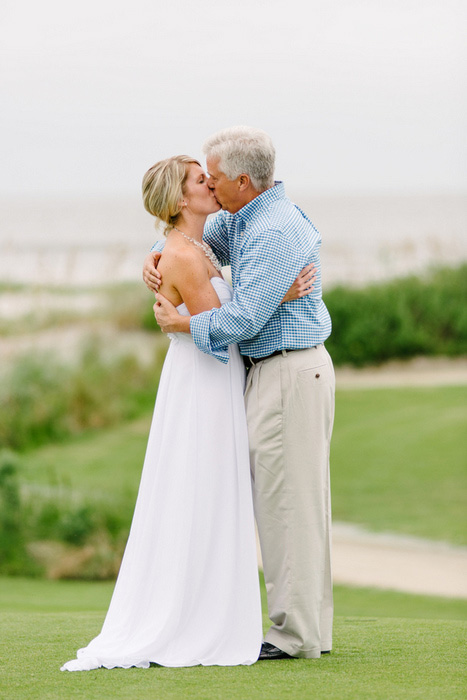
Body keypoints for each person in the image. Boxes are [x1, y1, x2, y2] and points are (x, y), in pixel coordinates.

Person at [61, 155, 265, 671]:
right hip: (203, 379)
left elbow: (193, 285)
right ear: (180, 199)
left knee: (211, 487)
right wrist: (279, 291)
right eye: (202, 181)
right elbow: (222, 324)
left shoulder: (192, 244)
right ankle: (194, 619)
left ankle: (208, 607)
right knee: (200, 485)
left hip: (211, 374)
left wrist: (151, 257)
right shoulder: (184, 256)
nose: (212, 185)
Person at [143, 126, 335, 661]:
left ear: (243, 180)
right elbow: (190, 244)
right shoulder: (245, 218)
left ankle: (294, 637)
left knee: (286, 506)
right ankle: (310, 630)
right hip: (278, 372)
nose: (211, 183)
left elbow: (245, 318)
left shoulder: (273, 229)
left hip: (287, 373)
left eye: (216, 176)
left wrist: (183, 328)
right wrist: (155, 255)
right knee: (297, 501)